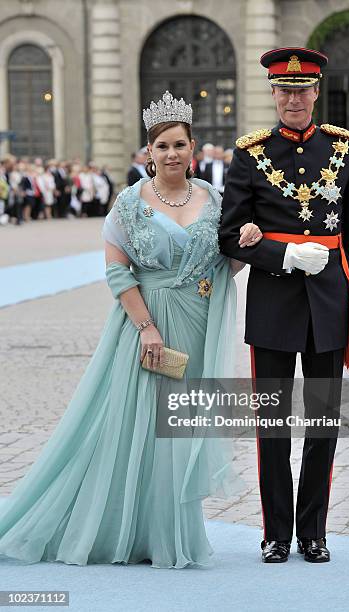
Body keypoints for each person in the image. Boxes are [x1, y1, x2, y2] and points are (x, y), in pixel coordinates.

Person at [0, 91, 261, 569]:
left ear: (193, 147)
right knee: (133, 429)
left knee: (178, 433)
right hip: (146, 325)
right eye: (162, 147)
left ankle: (170, 534)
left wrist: (247, 242)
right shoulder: (128, 202)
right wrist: (146, 328)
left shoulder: (215, 198)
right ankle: (122, 530)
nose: (171, 154)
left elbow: (225, 268)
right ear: (148, 153)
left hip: (196, 323)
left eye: (179, 145)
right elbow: (118, 272)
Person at [219, 47, 349, 564]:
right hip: (273, 300)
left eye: (302, 90)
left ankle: (314, 532)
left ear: (315, 93)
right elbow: (229, 236)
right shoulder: (249, 153)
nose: (293, 98)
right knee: (272, 425)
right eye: (284, 90)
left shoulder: (342, 147)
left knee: (323, 422)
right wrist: (281, 252)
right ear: (273, 93)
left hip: (330, 301)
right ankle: (276, 533)